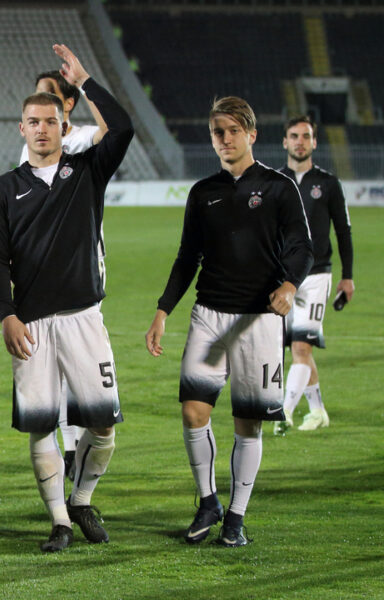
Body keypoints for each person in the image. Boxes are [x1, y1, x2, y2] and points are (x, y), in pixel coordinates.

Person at [145, 97, 312, 547]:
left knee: (248, 422)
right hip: (209, 315)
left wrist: (291, 285)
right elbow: (187, 258)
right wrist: (163, 310)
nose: (223, 139)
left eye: (232, 131)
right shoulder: (203, 192)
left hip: (258, 320)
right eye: (217, 132)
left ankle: (236, 517)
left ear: (251, 134)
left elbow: (301, 246)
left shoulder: (279, 188)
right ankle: (207, 501)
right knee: (193, 410)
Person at [0, 44, 131, 554]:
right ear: (21, 128)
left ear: (63, 125)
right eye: (33, 121)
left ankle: (82, 497)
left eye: (50, 120)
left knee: (103, 423)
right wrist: (6, 315)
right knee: (42, 425)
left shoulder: (87, 172)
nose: (42, 128)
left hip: (85, 317)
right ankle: (59, 523)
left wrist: (86, 79)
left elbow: (124, 127)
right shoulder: (3, 189)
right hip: (32, 324)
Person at [17, 69, 108, 479]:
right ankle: (68, 454)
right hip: (39, 290)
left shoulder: (84, 140)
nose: (41, 116)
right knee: (51, 389)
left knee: (84, 389)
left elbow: (115, 130)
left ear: (66, 107)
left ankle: (76, 457)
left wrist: (86, 82)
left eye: (48, 100)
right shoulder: (26, 156)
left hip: (79, 279)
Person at [275, 116, 354, 434]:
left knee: (301, 348)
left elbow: (344, 231)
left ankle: (284, 412)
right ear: (285, 142)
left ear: (314, 142)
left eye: (305, 136)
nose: (299, 141)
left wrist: (347, 276)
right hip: (281, 277)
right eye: (294, 136)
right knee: (295, 348)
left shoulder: (329, 183)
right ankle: (318, 410)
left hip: (317, 274)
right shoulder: (274, 181)